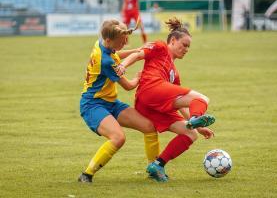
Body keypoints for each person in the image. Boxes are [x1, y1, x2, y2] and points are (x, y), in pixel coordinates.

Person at [116, 17, 215, 182]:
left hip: (152, 107)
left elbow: (180, 102)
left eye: (188, 47)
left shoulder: (174, 73)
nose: (186, 49)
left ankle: (158, 165)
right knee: (202, 98)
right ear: (173, 40)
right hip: (149, 90)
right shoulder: (160, 46)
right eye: (184, 45)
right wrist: (123, 65)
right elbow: (139, 54)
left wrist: (195, 126)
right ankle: (196, 119)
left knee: (190, 134)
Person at [78, 19, 159, 183]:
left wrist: (138, 50)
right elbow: (128, 86)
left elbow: (115, 54)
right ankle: (86, 175)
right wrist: (138, 78)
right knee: (118, 138)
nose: (123, 46)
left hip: (110, 103)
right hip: (92, 105)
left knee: (149, 127)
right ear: (109, 40)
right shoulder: (105, 61)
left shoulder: (101, 43)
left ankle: (154, 170)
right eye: (121, 43)